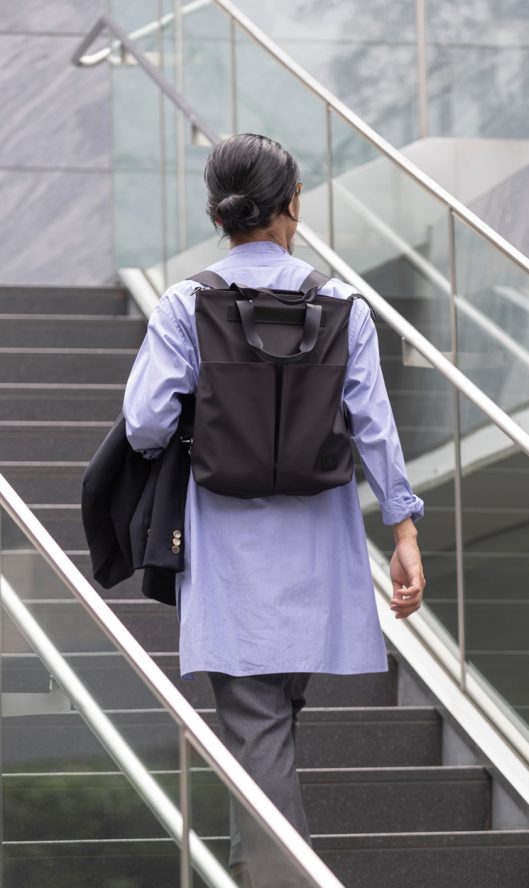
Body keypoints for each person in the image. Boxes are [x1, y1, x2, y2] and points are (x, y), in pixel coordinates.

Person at [122, 133, 425, 885]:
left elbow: (146, 426)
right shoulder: (343, 306)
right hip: (319, 558)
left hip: (230, 558)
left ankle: (281, 875)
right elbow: (375, 430)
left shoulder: (185, 304)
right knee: (271, 722)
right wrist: (404, 531)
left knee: (257, 729)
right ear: (292, 204)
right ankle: (254, 869)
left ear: (218, 214)